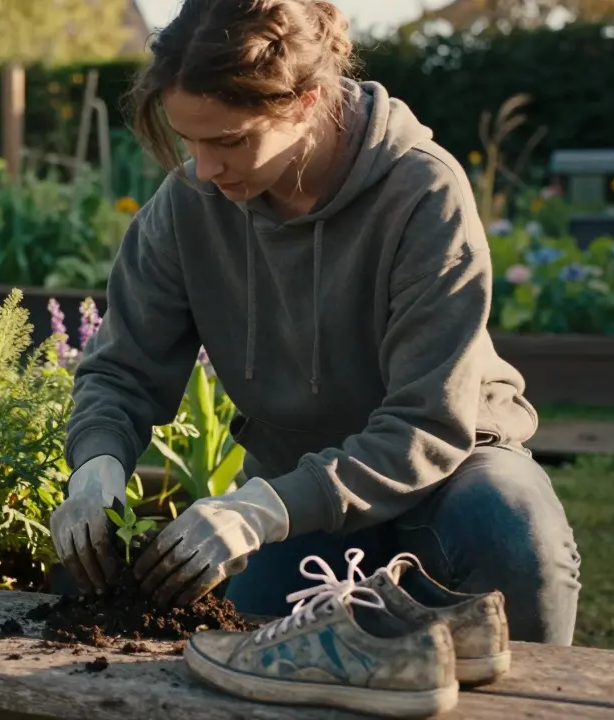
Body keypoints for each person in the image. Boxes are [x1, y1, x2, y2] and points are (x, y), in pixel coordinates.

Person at [50, 0, 581, 648]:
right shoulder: (188, 206)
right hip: (297, 490)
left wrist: (260, 509)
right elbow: (121, 372)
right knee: (250, 667)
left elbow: (426, 425)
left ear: (304, 102)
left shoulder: (421, 195)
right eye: (189, 140)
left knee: (513, 528)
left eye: (228, 140)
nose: (205, 168)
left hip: (449, 475)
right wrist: (96, 466)